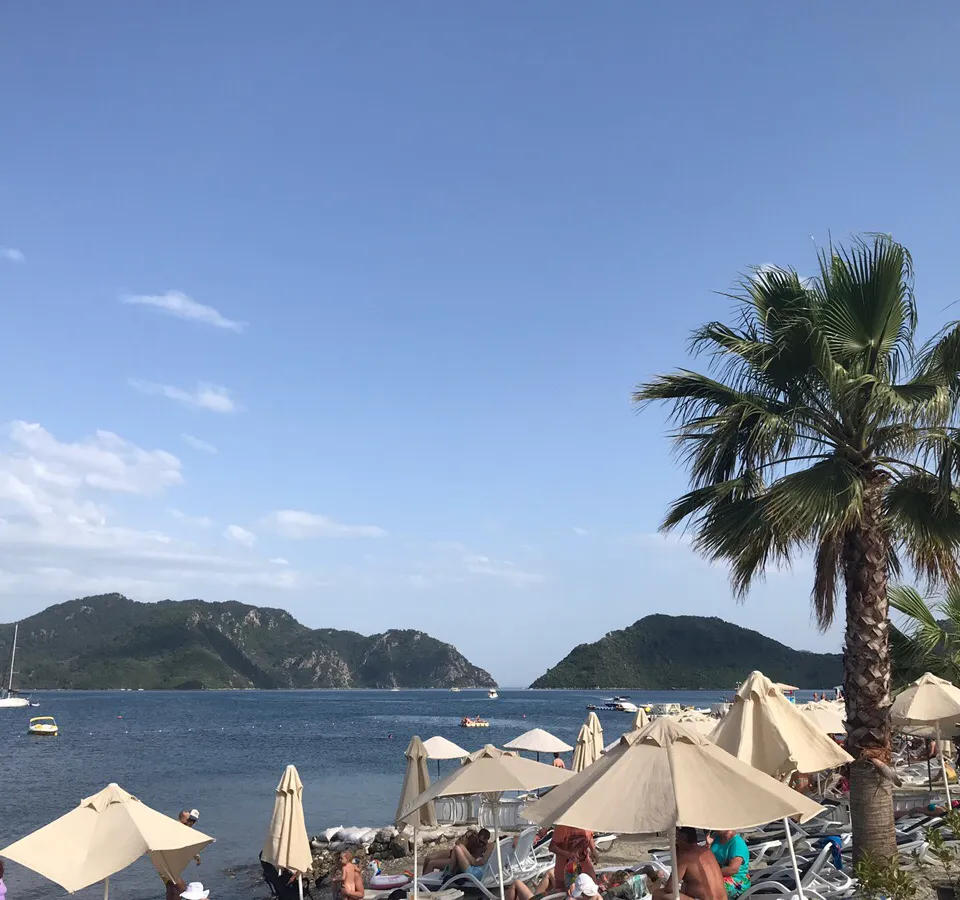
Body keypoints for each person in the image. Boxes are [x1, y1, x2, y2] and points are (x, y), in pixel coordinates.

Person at [650, 828, 724, 900]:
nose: (676, 842)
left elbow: (670, 888)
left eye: (676, 839)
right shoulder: (707, 851)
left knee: (658, 893)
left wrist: (677, 856)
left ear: (682, 839)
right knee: (685, 886)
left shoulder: (685, 856)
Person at [164, 809, 202, 900]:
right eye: (190, 820)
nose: (192, 822)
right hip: (165, 863)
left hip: (171, 865)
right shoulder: (176, 827)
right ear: (184, 819)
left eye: (194, 821)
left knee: (172, 888)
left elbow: (187, 844)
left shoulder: (185, 830)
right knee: (181, 888)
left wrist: (196, 855)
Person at [550, 825, 597, 892]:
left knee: (593, 889)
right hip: (564, 868)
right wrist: (567, 854)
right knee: (567, 892)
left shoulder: (587, 824)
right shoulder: (563, 827)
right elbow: (552, 847)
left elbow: (590, 838)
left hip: (584, 863)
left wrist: (593, 850)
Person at [706, 830, 750, 899]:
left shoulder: (737, 843)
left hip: (736, 880)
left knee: (704, 888)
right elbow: (706, 858)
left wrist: (711, 874)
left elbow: (732, 869)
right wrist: (708, 844)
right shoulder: (717, 838)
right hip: (718, 874)